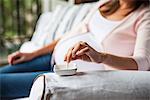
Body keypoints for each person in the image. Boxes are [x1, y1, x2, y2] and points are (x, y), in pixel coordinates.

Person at [0, 0, 150, 99]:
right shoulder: (107, 3)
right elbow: (73, 33)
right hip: (51, 58)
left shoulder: (145, 15)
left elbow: (142, 64)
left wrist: (101, 57)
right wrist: (32, 54)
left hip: (70, 73)